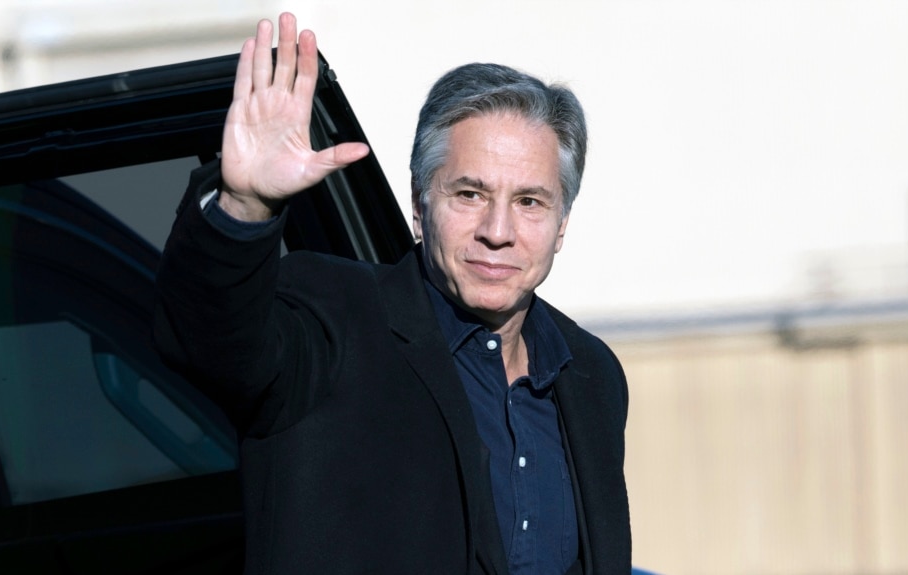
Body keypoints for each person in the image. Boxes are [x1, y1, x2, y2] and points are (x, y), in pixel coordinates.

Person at [154, 12, 630, 575]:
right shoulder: (332, 319)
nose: (498, 231)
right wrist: (244, 205)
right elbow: (209, 338)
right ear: (419, 205)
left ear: (562, 223)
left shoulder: (592, 375)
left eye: (530, 202)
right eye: (470, 194)